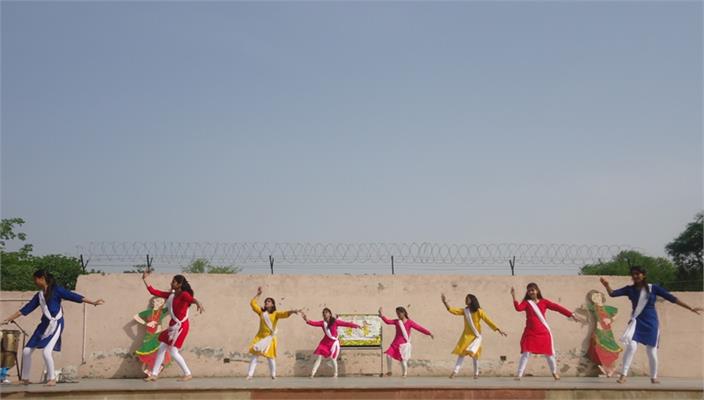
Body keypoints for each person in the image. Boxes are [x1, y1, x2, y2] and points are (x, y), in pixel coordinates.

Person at [1, 270, 105, 386]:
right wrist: (8, 319)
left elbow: (74, 296)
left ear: (41, 278)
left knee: (46, 352)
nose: (34, 282)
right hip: (44, 325)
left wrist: (93, 302)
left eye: (35, 279)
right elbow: (26, 309)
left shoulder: (57, 290)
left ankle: (52, 379)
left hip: (56, 324)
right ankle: (24, 379)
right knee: (26, 351)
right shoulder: (39, 295)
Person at [600, 266, 702, 384]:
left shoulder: (653, 288)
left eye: (638, 274)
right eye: (633, 274)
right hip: (637, 322)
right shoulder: (629, 289)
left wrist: (690, 308)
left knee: (651, 351)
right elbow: (613, 294)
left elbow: (672, 298)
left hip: (651, 323)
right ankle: (623, 375)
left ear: (643, 275)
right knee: (631, 346)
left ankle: (654, 377)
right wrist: (606, 285)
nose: (635, 276)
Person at [142, 271, 205, 382]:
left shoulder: (184, 294)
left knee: (173, 351)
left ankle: (188, 374)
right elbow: (153, 291)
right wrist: (145, 279)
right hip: (173, 326)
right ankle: (154, 374)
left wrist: (198, 303)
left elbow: (191, 299)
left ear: (179, 284)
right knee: (162, 348)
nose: (171, 283)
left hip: (181, 327)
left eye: (174, 282)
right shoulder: (171, 295)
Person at [511, 283, 581, 380]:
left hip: (543, 332)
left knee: (549, 354)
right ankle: (519, 374)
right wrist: (514, 297)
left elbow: (557, 308)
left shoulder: (544, 302)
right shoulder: (527, 303)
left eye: (533, 290)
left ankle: (554, 372)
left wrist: (571, 314)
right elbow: (518, 308)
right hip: (530, 332)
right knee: (526, 353)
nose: (531, 292)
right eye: (529, 290)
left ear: (537, 291)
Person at [441, 293, 507, 378]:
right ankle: (455, 372)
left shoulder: (479, 311)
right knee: (461, 354)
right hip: (466, 336)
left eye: (467, 298)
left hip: (476, 336)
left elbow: (487, 320)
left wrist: (498, 329)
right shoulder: (465, 311)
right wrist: (445, 303)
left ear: (472, 300)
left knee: (475, 355)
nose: (466, 300)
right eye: (465, 298)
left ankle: (476, 373)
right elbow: (453, 311)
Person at [246, 287, 299, 380]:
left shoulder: (276, 314)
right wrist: (258, 294)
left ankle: (273, 375)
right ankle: (250, 375)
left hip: (270, 338)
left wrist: (292, 311)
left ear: (273, 304)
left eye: (269, 301)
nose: (266, 302)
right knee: (255, 355)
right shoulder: (261, 313)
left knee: (270, 357)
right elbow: (252, 303)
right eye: (266, 301)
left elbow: (284, 314)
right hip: (260, 337)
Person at [301, 308, 361, 378]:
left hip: (333, 343)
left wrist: (356, 326)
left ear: (330, 314)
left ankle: (335, 374)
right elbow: (313, 323)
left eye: (326, 312)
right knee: (319, 357)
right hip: (325, 342)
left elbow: (346, 324)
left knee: (333, 359)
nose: (325, 314)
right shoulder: (322, 323)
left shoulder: (335, 322)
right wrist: (306, 319)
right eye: (324, 313)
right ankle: (312, 373)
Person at [378, 306, 434, 378]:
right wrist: (382, 315)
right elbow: (388, 322)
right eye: (397, 313)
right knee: (388, 355)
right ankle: (389, 372)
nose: (398, 315)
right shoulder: (397, 321)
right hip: (395, 343)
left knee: (403, 360)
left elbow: (419, 328)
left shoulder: (410, 322)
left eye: (399, 313)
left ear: (403, 313)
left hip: (403, 345)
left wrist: (429, 333)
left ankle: (404, 373)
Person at [579, 290, 622, 377]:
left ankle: (611, 369)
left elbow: (618, 312)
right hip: (598, 332)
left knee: (610, 350)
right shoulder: (594, 307)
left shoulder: (607, 308)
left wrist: (611, 319)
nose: (596, 298)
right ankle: (606, 368)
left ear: (602, 296)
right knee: (598, 349)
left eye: (598, 296)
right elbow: (583, 307)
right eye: (594, 297)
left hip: (607, 332)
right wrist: (583, 310)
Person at [133, 296, 171, 377]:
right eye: (157, 301)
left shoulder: (162, 311)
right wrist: (146, 323)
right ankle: (150, 370)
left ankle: (156, 369)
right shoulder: (148, 312)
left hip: (158, 336)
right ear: (153, 302)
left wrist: (172, 294)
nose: (159, 303)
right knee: (147, 353)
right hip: (149, 336)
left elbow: (171, 306)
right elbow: (136, 316)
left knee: (159, 352)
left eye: (161, 302)